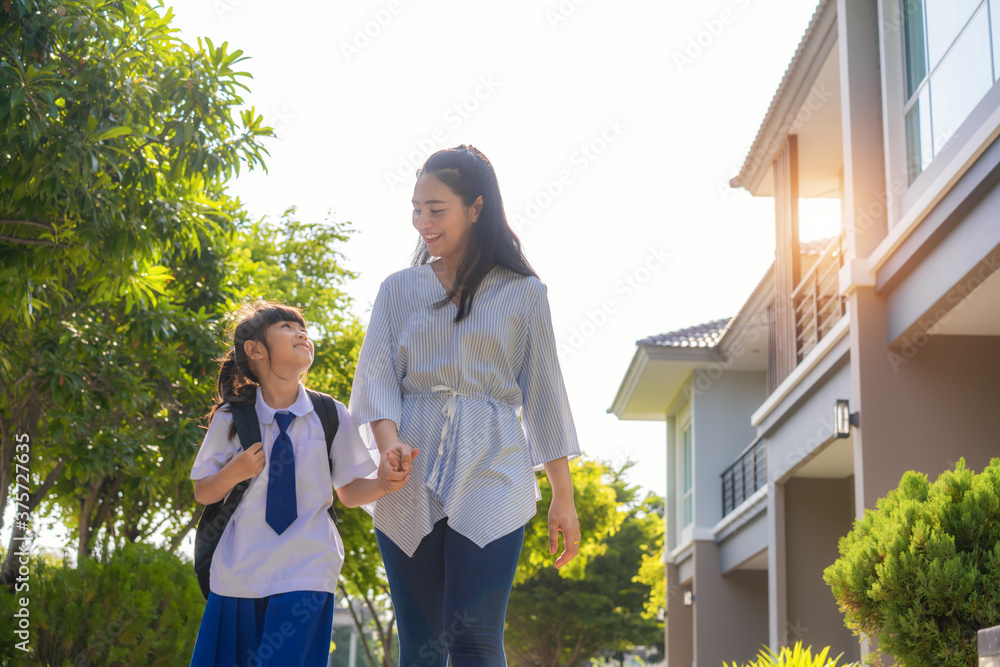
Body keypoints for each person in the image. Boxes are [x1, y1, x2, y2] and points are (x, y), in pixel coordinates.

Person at [348, 144, 583, 666]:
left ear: (476, 207)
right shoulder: (397, 290)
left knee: (475, 640)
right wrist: (388, 449)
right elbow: (378, 379)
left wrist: (561, 496)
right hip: (408, 465)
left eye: (437, 209)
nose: (423, 222)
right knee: (423, 646)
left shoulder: (525, 293)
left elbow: (545, 392)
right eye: (416, 209)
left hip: (494, 461)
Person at [189, 300, 413, 667]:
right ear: (255, 350)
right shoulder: (232, 417)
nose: (301, 334)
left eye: (303, 329)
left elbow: (350, 492)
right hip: (238, 574)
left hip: (308, 569)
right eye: (286, 328)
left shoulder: (329, 414)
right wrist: (236, 471)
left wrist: (384, 484)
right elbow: (204, 491)